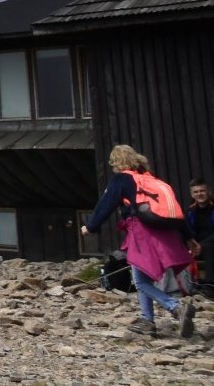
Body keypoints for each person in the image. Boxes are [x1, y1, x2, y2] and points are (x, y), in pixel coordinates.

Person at [82, 144, 199, 337]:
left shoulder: (122, 179)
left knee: (140, 280)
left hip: (143, 234)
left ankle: (176, 307)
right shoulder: (151, 179)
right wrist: (189, 237)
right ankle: (147, 321)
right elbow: (174, 210)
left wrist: (90, 227)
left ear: (117, 162)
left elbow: (106, 205)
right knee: (142, 277)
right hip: (166, 233)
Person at [188, 178, 214, 297]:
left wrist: (200, 245)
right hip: (197, 246)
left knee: (209, 247)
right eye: (196, 192)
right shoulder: (190, 211)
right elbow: (186, 230)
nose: (200, 194)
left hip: (209, 245)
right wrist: (190, 244)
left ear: (208, 192)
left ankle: (209, 286)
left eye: (202, 191)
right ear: (192, 194)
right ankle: (187, 286)